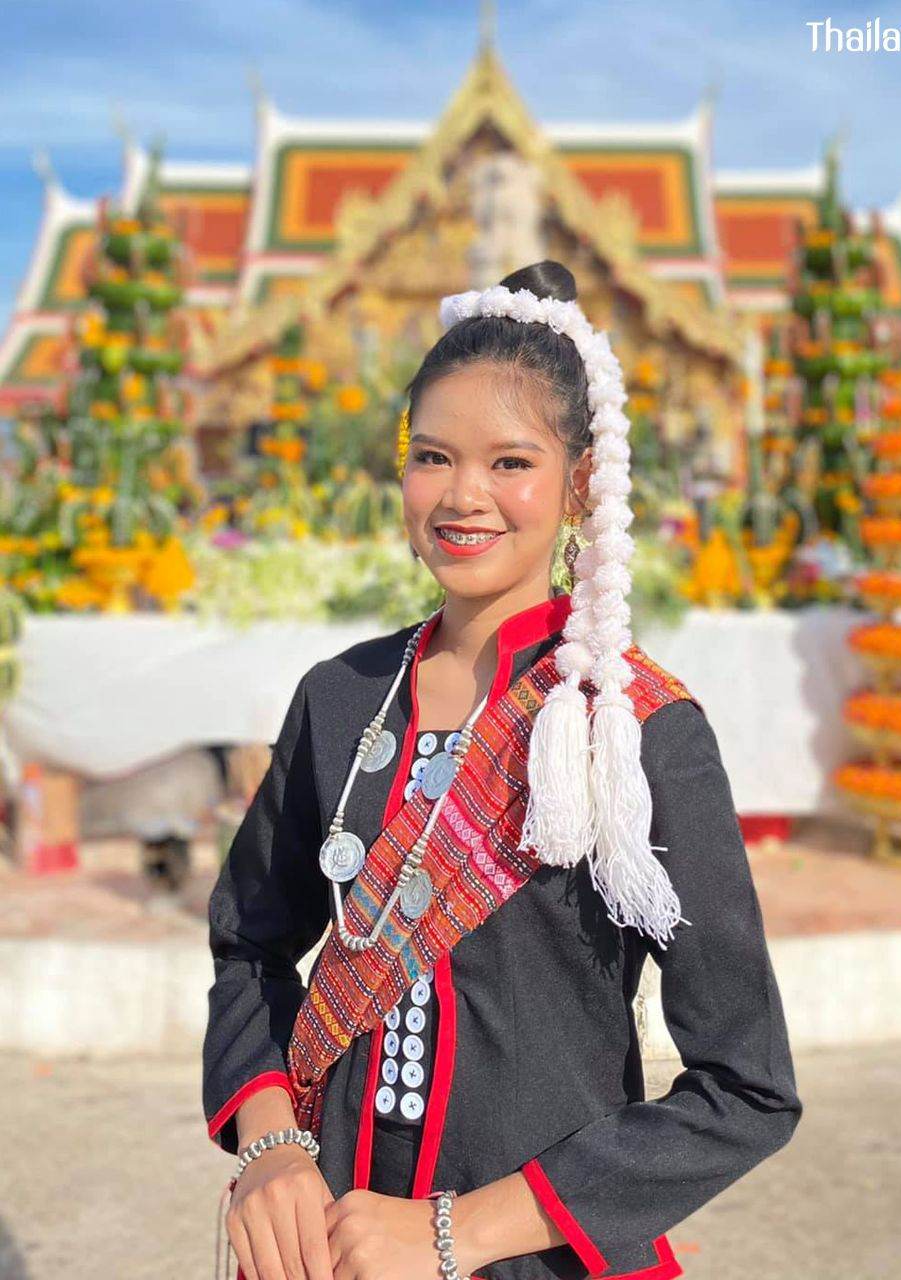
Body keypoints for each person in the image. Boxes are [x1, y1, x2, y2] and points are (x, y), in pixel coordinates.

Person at [202, 260, 802, 1280]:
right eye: (432, 456)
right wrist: (269, 1145)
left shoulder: (635, 731)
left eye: (509, 461)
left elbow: (746, 1086)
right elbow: (249, 949)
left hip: (532, 1257)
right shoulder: (341, 696)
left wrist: (452, 1231)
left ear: (579, 483)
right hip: (327, 1245)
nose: (463, 495)